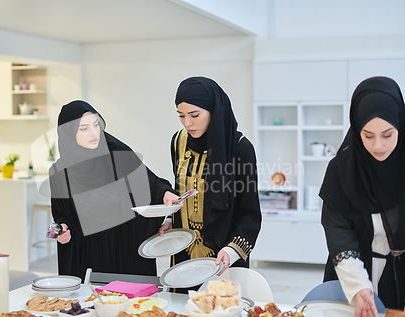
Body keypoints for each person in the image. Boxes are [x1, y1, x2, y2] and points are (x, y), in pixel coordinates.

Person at [49, 100, 179, 281]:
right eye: (84, 128)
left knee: (133, 305)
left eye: (96, 125)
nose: (94, 133)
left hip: (125, 248)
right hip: (88, 255)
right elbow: (60, 217)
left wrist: (165, 193)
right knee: (92, 306)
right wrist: (59, 232)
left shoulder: (118, 154)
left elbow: (152, 183)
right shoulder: (58, 173)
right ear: (68, 133)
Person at [319, 76, 405, 317]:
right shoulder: (341, 170)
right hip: (350, 278)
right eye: (368, 135)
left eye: (387, 135)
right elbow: (339, 234)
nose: (378, 145)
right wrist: (358, 286)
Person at [160, 76, 262, 279]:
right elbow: (181, 189)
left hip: (223, 255)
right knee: (180, 308)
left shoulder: (240, 147)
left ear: (213, 111)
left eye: (194, 115)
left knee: (219, 308)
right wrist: (170, 218)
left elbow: (249, 213)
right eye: (181, 115)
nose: (187, 123)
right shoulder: (178, 142)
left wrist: (232, 251)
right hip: (184, 251)